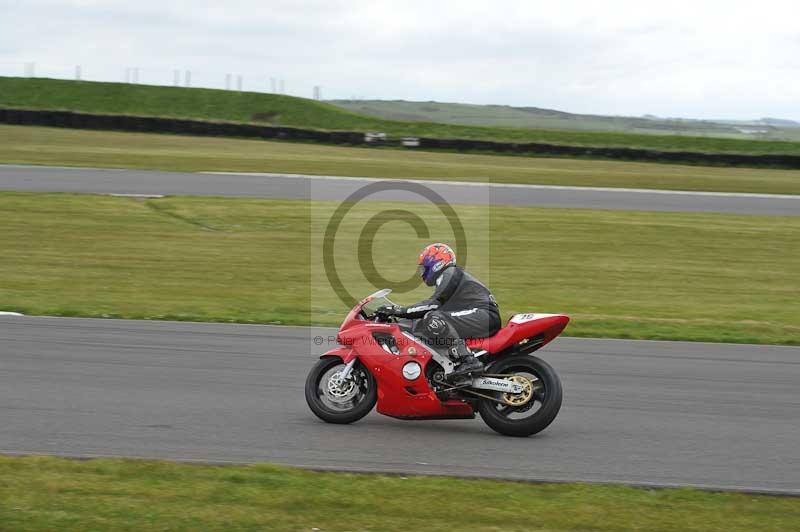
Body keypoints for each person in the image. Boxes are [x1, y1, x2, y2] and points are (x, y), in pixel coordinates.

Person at [376, 243, 501, 378]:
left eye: (424, 268)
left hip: (484, 314)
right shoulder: (450, 277)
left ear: (437, 263)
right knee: (426, 322)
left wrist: (398, 310)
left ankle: (468, 361)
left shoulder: (450, 272)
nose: (422, 273)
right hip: (479, 315)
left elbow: (432, 305)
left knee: (433, 318)